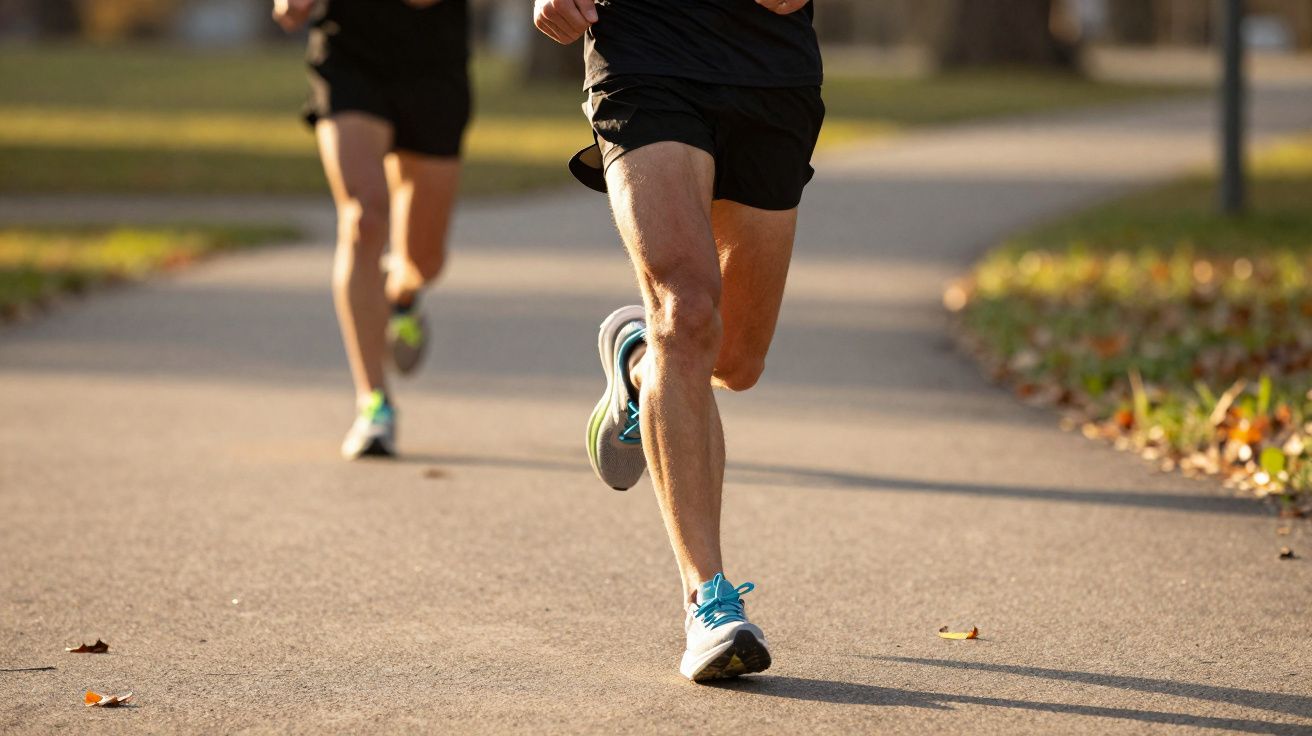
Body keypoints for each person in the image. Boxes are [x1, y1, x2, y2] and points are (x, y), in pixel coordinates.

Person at [534, 0, 824, 681]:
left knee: (736, 361)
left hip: (769, 62)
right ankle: (709, 600)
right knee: (686, 312)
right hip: (644, 45)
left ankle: (638, 365)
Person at [273, 0, 470, 459]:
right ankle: (374, 403)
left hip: (432, 62)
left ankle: (401, 295)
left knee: (424, 262)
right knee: (364, 218)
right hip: (350, 53)